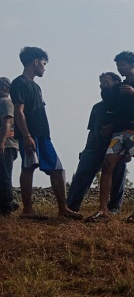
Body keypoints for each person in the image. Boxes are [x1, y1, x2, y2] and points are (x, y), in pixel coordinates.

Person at [85, 51, 134, 223]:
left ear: (132, 65)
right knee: (108, 163)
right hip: (120, 131)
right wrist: (105, 88)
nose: (119, 68)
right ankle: (103, 209)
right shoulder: (119, 88)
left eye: (122, 65)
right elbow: (111, 104)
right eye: (118, 66)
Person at [10, 47, 81, 220]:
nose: (44, 67)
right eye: (43, 63)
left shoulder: (36, 86)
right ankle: (27, 210)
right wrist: (26, 136)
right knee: (29, 167)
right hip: (31, 134)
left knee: (57, 169)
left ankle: (63, 208)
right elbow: (19, 111)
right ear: (35, 62)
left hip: (42, 134)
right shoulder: (19, 83)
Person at [66, 72, 127, 214]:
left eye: (106, 81)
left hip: (116, 146)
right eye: (101, 82)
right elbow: (91, 130)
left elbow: (128, 124)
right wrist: (86, 149)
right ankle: (71, 206)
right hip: (95, 147)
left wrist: (113, 127)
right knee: (82, 175)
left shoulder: (124, 105)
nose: (102, 85)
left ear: (117, 82)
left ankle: (113, 208)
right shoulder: (97, 107)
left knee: (118, 176)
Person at [0, 77, 20, 216]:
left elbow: (7, 122)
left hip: (6, 144)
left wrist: (1, 141)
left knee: (4, 175)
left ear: (5, 88)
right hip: (5, 144)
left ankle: (7, 205)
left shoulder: (5, 102)